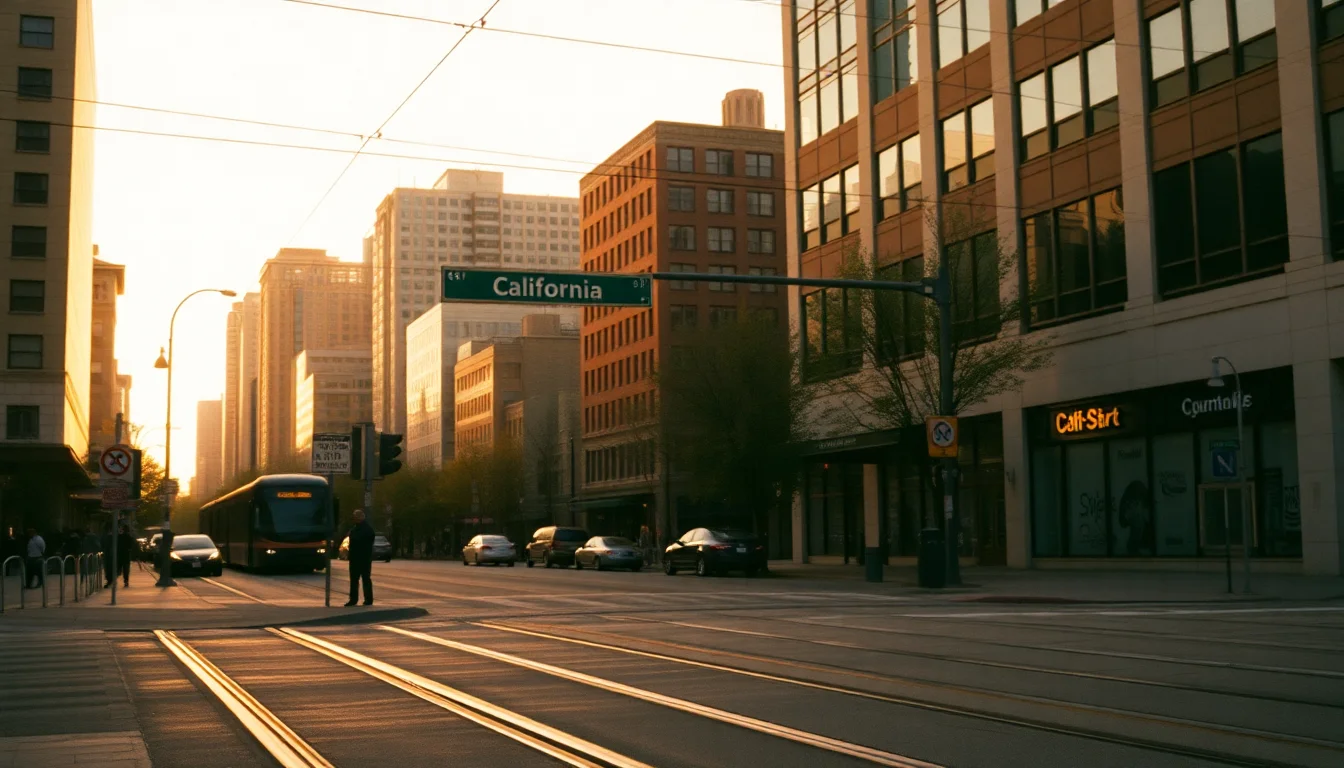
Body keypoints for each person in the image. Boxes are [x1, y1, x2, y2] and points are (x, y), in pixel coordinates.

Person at [344, 509, 375, 606]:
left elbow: (361, 542)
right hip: (358, 558)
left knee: (362, 579)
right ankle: (360, 599)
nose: (355, 519)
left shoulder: (365, 530)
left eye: (356, 517)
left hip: (362, 557)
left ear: (361, 518)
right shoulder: (357, 529)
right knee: (358, 579)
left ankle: (361, 599)